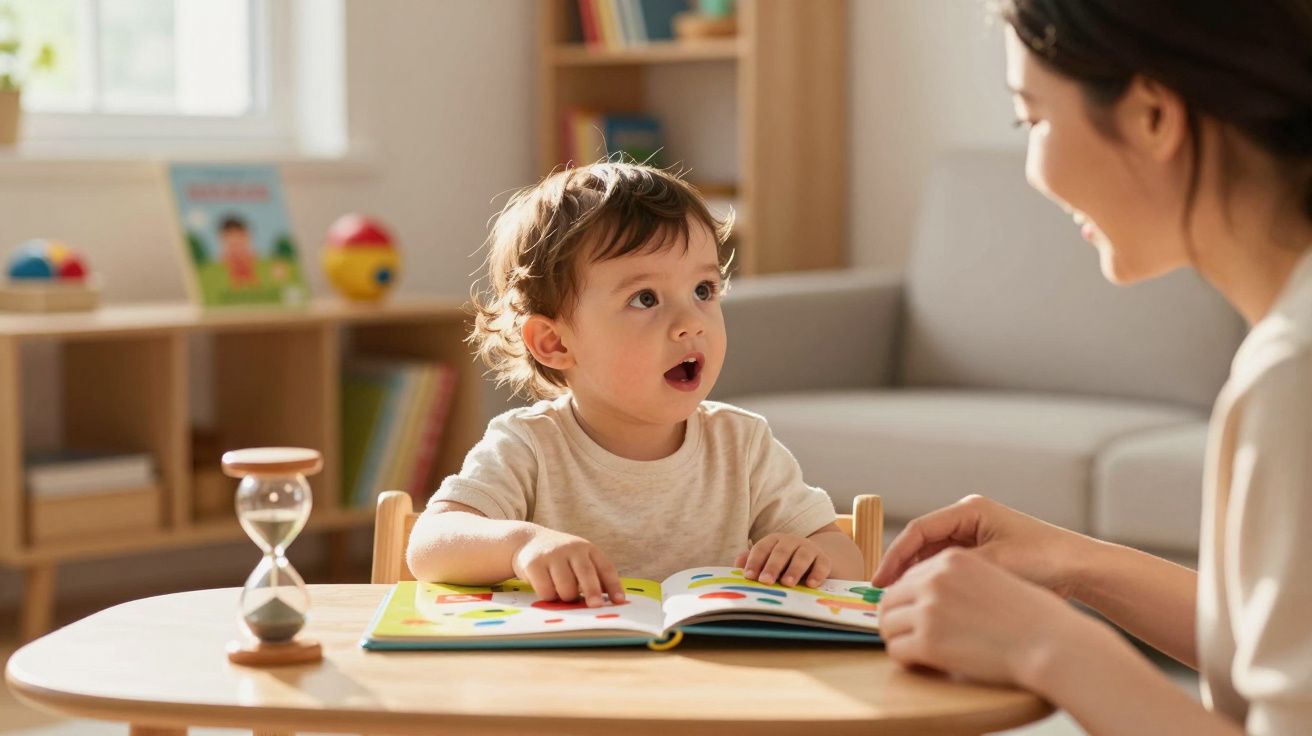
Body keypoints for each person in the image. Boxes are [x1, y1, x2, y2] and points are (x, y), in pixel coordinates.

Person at [869, 2, 1312, 733]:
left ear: (1152, 116)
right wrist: (1071, 561)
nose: (1033, 174)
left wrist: (1044, 643)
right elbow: (1280, 639)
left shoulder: (1294, 373)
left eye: (1033, 119)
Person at [406, 162, 864, 607]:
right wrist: (521, 545)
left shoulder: (743, 446)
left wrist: (811, 555)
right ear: (554, 342)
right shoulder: (527, 445)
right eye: (645, 299)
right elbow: (430, 543)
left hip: (714, 659)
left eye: (703, 290)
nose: (690, 322)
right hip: (569, 658)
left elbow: (849, 561)